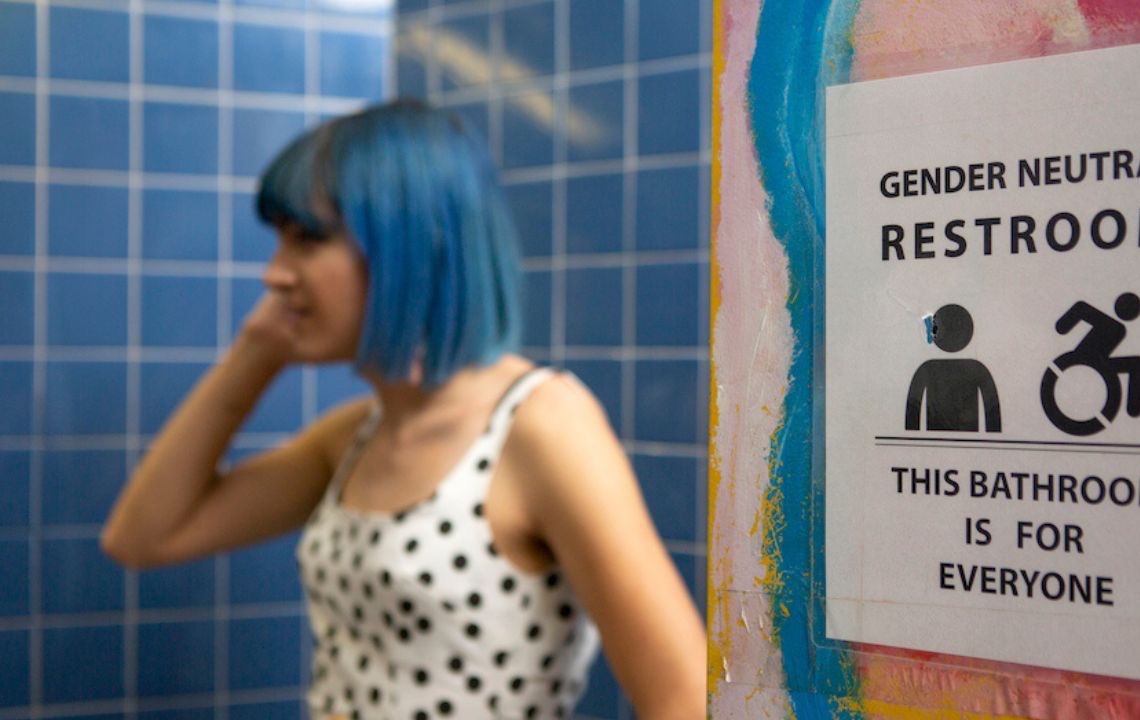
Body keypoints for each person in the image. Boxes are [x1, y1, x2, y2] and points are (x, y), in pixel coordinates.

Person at [101, 100, 705, 720]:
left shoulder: (541, 425)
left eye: (307, 239)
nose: (275, 274)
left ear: (409, 246)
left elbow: (682, 696)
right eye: (278, 242)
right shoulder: (357, 435)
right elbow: (144, 536)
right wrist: (256, 353)